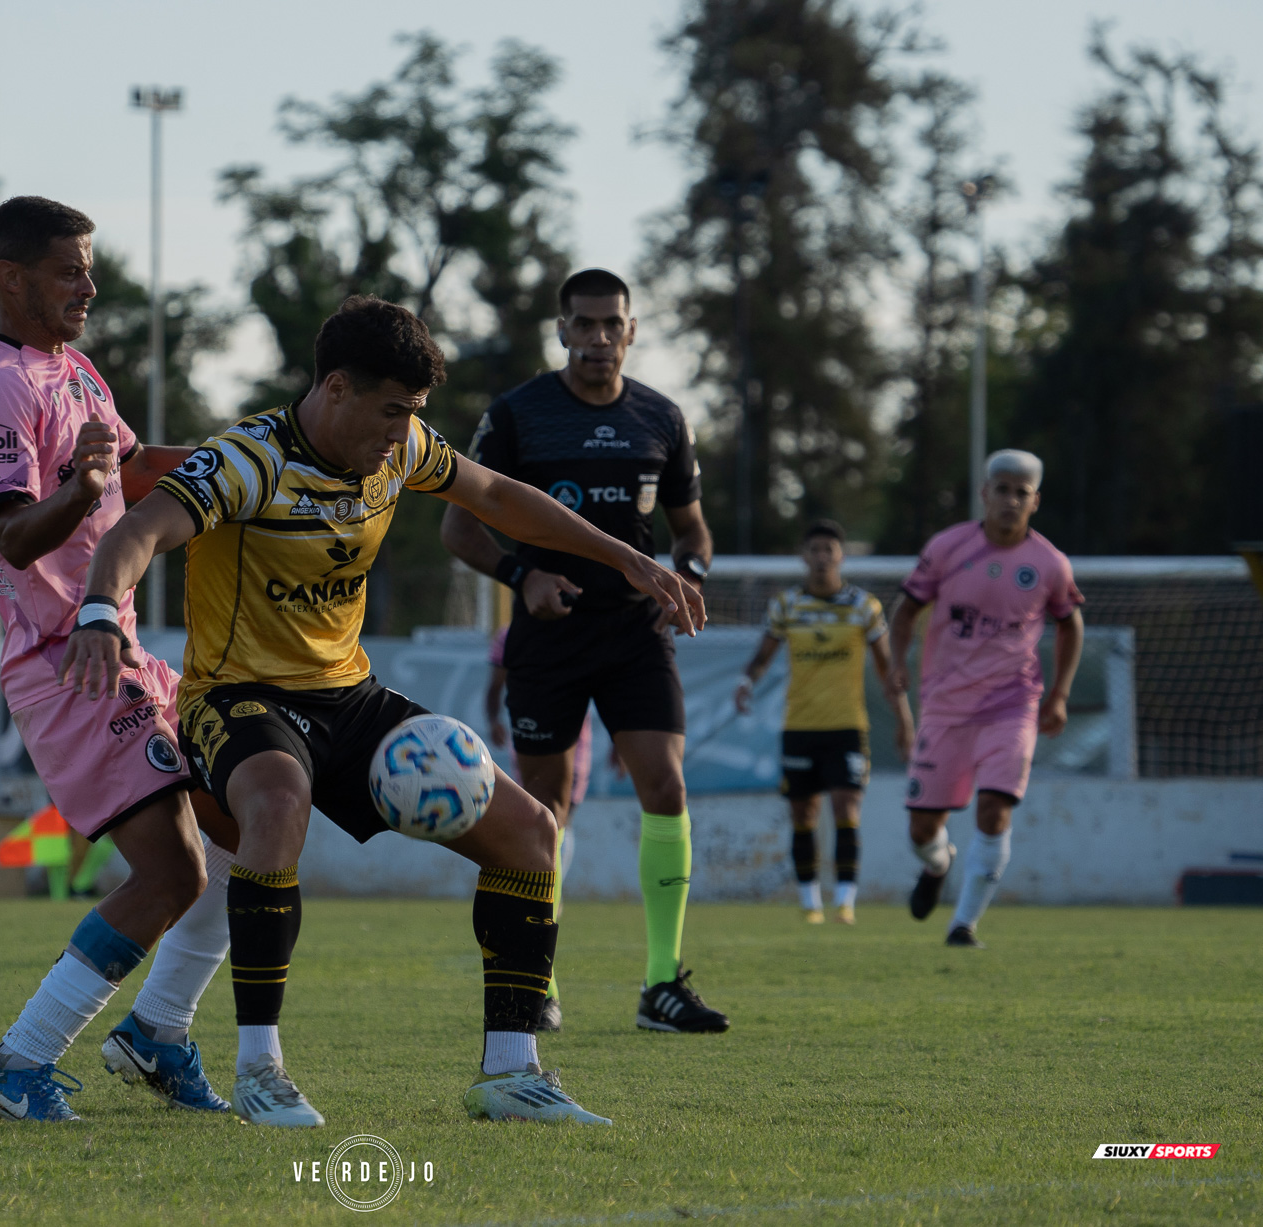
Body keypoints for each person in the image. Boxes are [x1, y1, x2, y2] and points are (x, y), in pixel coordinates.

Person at [60, 294, 706, 1128]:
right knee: (277, 802)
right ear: (336, 388)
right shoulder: (248, 458)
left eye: (414, 412)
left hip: (349, 695)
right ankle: (259, 1068)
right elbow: (141, 529)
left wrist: (628, 558)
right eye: (394, 410)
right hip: (238, 695)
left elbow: (499, 497)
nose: (405, 431)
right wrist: (101, 610)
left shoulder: (402, 449)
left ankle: (511, 1071)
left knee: (530, 832)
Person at [0, 196, 240, 1122]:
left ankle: (157, 1030)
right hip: (68, 660)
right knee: (174, 869)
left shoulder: (74, 370)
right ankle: (18, 1060)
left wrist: (259, 466)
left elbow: (135, 470)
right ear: (12, 278)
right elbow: (14, 533)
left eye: (88, 267)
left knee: (247, 820)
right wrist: (83, 484)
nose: (89, 285)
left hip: (123, 648)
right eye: (69, 269)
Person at [440, 268, 729, 1036]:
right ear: (562, 330)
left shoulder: (661, 417)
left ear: (631, 330)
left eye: (612, 324)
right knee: (546, 808)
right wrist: (522, 575)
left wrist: (689, 577)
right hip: (549, 637)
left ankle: (662, 983)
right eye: (585, 324)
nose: (599, 337)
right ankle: (539, 980)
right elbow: (459, 526)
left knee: (665, 785)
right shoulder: (519, 415)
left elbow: (692, 531)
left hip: (635, 634)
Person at [887, 450, 1084, 948]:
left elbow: (1070, 625)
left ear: (1035, 501)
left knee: (995, 810)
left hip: (1012, 705)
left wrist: (1059, 694)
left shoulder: (1050, 564)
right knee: (922, 830)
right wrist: (896, 662)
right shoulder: (947, 547)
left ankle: (964, 924)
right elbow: (906, 611)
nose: (1010, 500)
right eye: (1002, 490)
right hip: (945, 706)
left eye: (1022, 492)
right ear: (985, 494)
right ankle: (939, 865)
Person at [733, 520, 914, 925]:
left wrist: (904, 721)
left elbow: (888, 671)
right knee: (803, 815)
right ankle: (810, 902)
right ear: (803, 556)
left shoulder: (863, 607)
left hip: (848, 727)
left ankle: (845, 901)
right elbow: (762, 657)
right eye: (814, 550)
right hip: (799, 726)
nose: (821, 558)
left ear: (840, 556)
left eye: (828, 550)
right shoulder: (786, 606)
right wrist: (746, 682)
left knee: (846, 808)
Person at [483, 624, 595, 1031]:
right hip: (533, 736)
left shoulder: (588, 625)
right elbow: (495, 685)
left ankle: (547, 896)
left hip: (577, 744)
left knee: (558, 827)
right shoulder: (512, 635)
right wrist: (494, 718)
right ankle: (546, 991)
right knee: (545, 824)